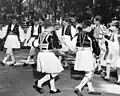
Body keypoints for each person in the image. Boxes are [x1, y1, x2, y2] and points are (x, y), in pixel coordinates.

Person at [32, 21, 64, 94]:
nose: (53, 28)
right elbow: (57, 46)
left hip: (41, 54)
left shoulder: (40, 35)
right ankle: (39, 83)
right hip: (48, 54)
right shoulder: (50, 36)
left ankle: (53, 89)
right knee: (56, 71)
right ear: (50, 27)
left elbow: (34, 44)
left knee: (50, 71)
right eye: (52, 27)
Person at [74, 20, 101, 96]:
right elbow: (95, 46)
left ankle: (91, 88)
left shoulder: (77, 34)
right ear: (88, 27)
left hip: (80, 54)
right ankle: (79, 87)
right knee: (90, 73)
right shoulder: (89, 36)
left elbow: (72, 45)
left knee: (87, 71)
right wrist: (97, 54)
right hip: (87, 54)